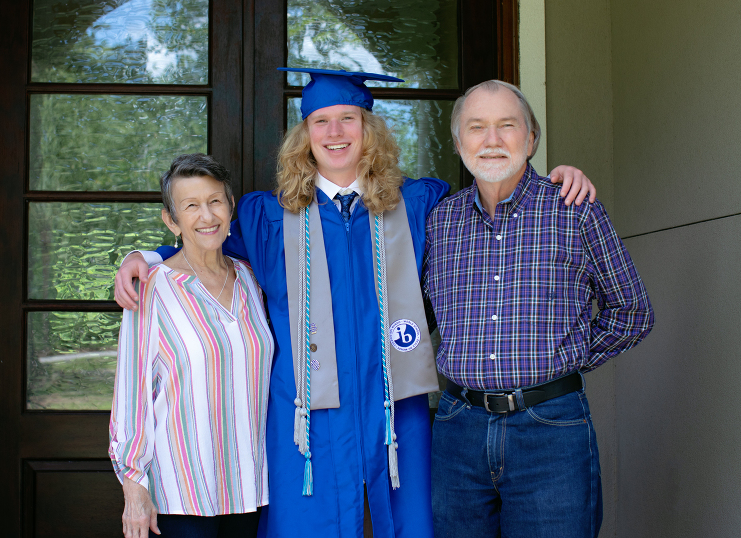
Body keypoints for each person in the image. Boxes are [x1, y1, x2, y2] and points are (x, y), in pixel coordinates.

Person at [114, 69, 596, 538]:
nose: (335, 132)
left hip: (395, 405)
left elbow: (491, 201)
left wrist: (553, 180)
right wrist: (147, 256)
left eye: (348, 118)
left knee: (415, 524)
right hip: (306, 414)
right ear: (304, 135)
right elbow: (205, 237)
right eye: (321, 121)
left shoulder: (418, 204)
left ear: (369, 129)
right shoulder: (268, 218)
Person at [423, 80, 655, 538]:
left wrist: (564, 359)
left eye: (507, 126)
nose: (492, 140)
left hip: (550, 429)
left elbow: (632, 312)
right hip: (457, 430)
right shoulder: (440, 222)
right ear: (458, 142)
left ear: (531, 139)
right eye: (477, 127)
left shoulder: (575, 209)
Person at [109, 154, 274, 538]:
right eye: (191, 206)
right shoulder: (152, 288)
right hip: (180, 494)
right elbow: (131, 395)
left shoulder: (252, 280)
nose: (207, 216)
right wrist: (134, 487)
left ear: (230, 208)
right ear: (172, 220)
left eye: (215, 201)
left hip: (248, 489)